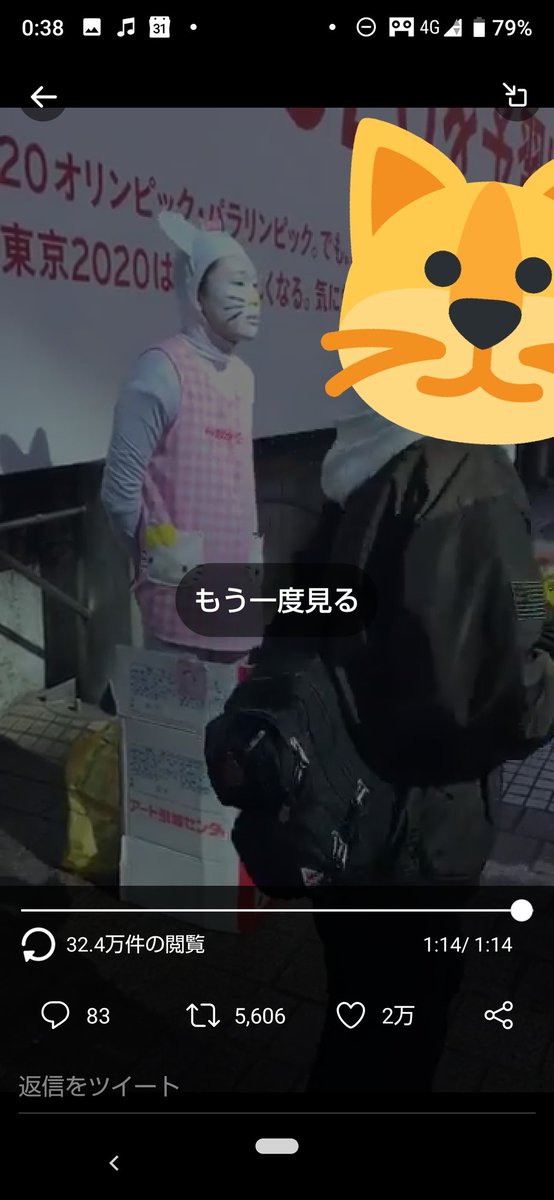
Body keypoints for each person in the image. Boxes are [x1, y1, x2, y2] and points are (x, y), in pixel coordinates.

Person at [303, 407, 554, 1093]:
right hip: (417, 822)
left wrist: (520, 594)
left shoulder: (361, 448)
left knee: (357, 1013)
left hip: (342, 800)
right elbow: (509, 699)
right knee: (402, 1029)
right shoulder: (470, 469)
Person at [101, 212, 263, 664]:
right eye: (237, 285)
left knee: (235, 706)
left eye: (255, 287)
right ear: (196, 294)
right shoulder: (161, 369)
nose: (253, 298)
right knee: (180, 709)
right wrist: (157, 556)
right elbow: (119, 493)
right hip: (177, 605)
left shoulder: (243, 377)